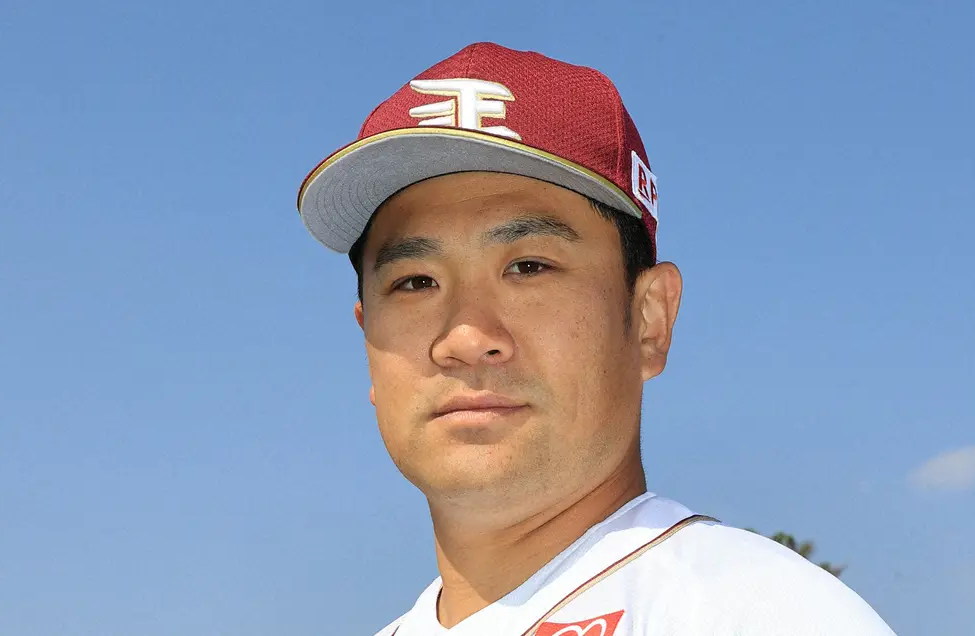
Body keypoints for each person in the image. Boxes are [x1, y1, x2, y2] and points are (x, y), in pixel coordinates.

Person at [296, 42, 897, 636]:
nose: (468, 337)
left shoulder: (758, 615)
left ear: (649, 320)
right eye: (415, 281)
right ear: (368, 343)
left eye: (529, 267)